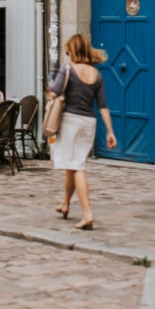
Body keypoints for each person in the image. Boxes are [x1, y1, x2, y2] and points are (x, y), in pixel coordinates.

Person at [48, 33, 117, 231]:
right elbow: (103, 106)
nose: (67, 54)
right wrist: (110, 131)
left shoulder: (67, 68)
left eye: (67, 51)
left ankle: (87, 214)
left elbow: (54, 92)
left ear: (73, 51)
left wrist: (48, 89)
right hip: (89, 122)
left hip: (71, 121)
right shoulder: (97, 74)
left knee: (77, 166)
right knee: (73, 164)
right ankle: (65, 203)